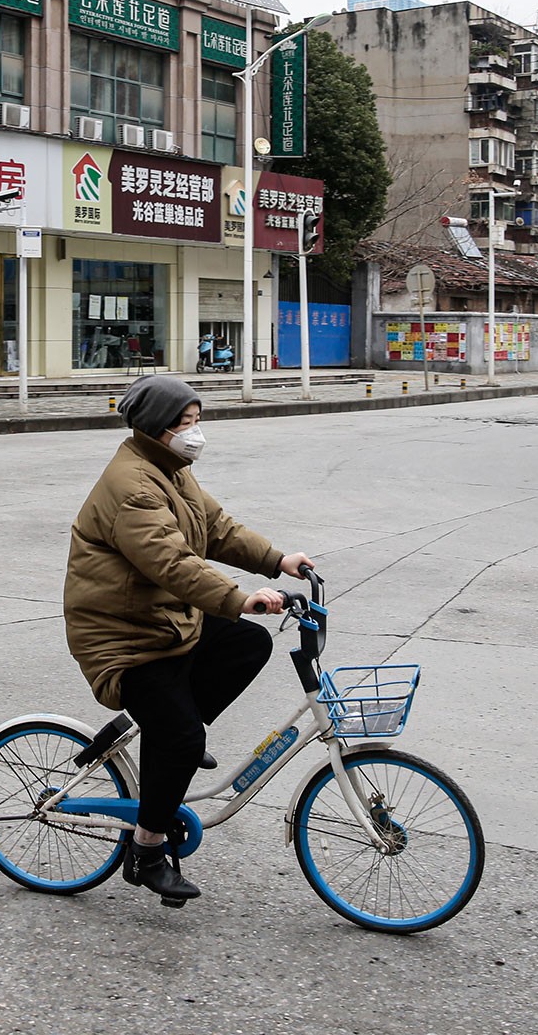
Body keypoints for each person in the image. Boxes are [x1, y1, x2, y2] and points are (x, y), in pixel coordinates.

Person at [63, 374, 313, 904]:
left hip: (162, 623)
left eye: (198, 422)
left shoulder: (170, 470)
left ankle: (175, 733)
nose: (196, 433)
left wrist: (277, 560)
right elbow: (171, 563)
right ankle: (147, 850)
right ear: (157, 428)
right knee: (179, 738)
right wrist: (239, 597)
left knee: (248, 644)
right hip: (123, 641)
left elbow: (217, 527)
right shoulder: (132, 486)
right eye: (187, 424)